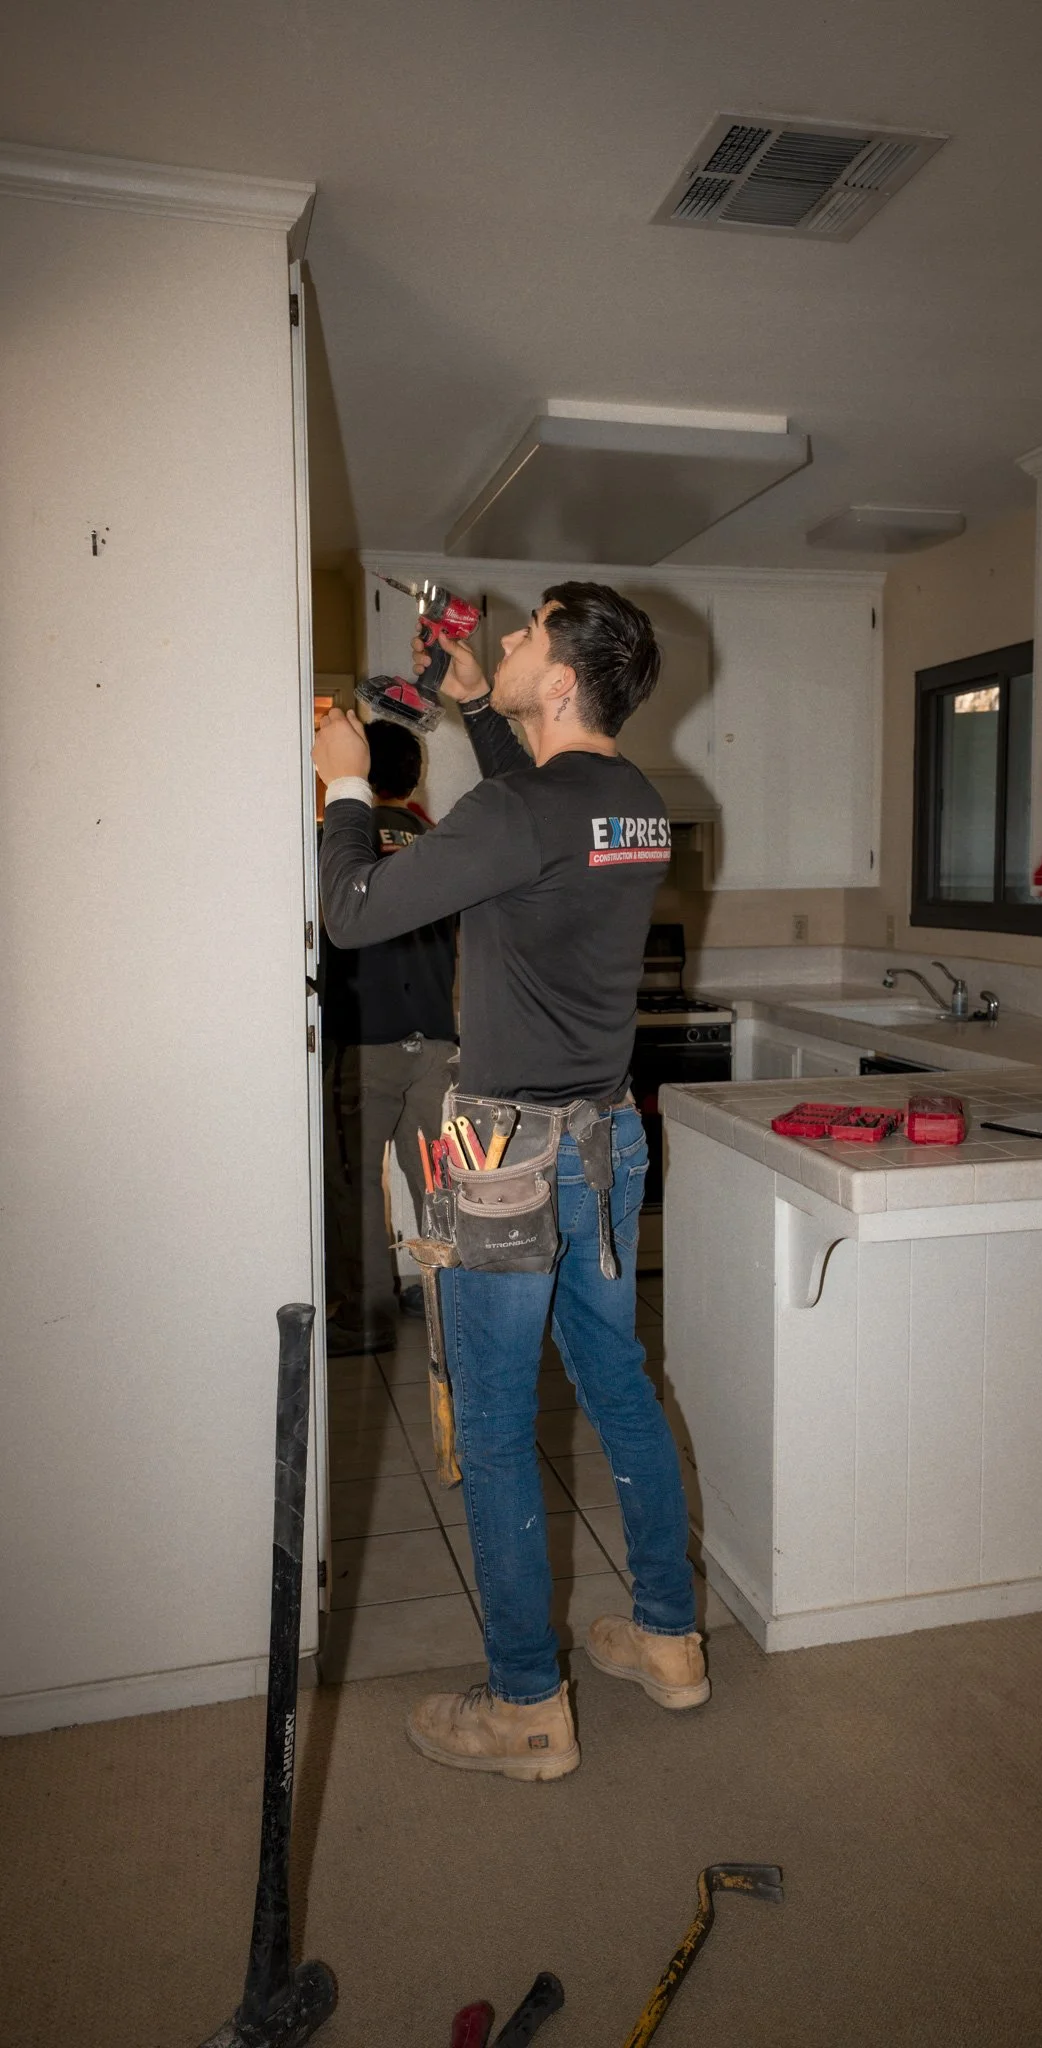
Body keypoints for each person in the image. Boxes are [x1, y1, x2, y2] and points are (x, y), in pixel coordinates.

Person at [313, 583, 707, 1781]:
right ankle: (668, 1636)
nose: (506, 641)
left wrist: (341, 779)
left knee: (490, 1422)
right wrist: (484, 709)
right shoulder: (632, 801)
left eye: (525, 636)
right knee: (617, 1386)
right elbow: (537, 820)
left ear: (562, 680)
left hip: (500, 1159)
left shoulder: (520, 804)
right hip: (604, 1140)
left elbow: (353, 907)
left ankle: (528, 1703)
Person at [319, 719, 457, 1356]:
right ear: (413, 775)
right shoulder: (437, 841)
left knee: (355, 1184)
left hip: (366, 1045)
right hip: (436, 1042)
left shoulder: (340, 839)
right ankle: (445, 1304)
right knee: (438, 1182)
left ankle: (367, 1315)